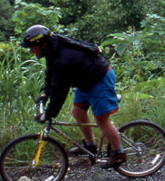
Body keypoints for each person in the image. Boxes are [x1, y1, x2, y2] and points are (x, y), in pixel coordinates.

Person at [21, 25, 126, 168]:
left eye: (32, 47)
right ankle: (90, 145)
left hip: (99, 79)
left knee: (101, 120)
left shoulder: (63, 59)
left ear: (42, 44)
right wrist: (45, 94)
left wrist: (49, 113)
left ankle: (119, 153)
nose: (31, 51)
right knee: (77, 111)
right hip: (85, 80)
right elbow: (51, 75)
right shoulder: (53, 51)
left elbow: (60, 91)